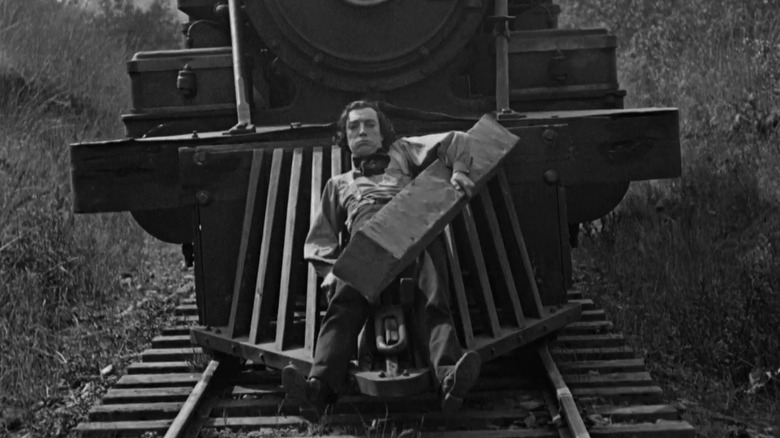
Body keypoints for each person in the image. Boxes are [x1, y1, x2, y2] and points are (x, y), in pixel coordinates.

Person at [282, 100, 481, 420]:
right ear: (345, 138)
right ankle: (317, 390)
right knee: (343, 307)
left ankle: (449, 380)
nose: (361, 131)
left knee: (433, 300)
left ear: (382, 132)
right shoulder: (337, 184)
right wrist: (330, 270)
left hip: (415, 235)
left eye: (369, 125)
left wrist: (459, 170)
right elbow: (320, 237)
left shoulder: (403, 151)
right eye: (353, 127)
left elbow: (456, 138)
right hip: (367, 249)